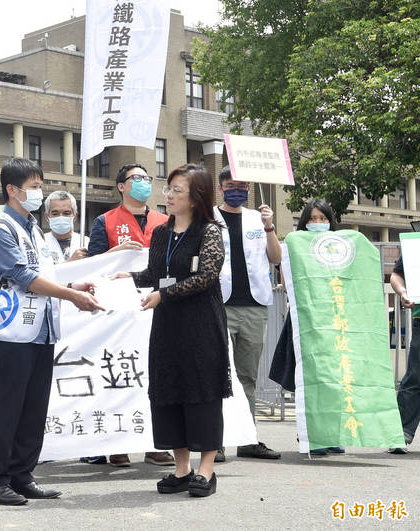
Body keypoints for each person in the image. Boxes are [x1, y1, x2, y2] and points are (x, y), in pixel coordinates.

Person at [0, 157, 102, 505]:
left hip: (41, 330)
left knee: (33, 407)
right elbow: (24, 277)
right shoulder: (1, 230)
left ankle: (22, 475)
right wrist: (71, 295)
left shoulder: (32, 228)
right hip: (12, 334)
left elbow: (46, 272)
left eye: (39, 185)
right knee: (8, 408)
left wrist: (75, 284)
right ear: (12, 190)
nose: (38, 192)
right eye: (33, 186)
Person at [116, 163, 231, 497]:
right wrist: (130, 279)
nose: (168, 195)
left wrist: (162, 294)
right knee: (170, 392)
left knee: (203, 393)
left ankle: (206, 471)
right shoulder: (162, 232)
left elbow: (206, 277)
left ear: (196, 197)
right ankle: (181, 470)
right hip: (167, 326)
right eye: (168, 189)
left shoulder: (210, 231)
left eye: (176, 190)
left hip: (201, 324)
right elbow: (155, 272)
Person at [86, 162, 172, 467]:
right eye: (135, 178)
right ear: (121, 186)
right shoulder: (105, 221)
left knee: (156, 375)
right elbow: (92, 266)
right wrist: (115, 252)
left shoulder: (166, 219)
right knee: (120, 373)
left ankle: (155, 443)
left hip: (157, 306)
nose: (143, 183)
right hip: (119, 311)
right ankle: (118, 444)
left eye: (146, 178)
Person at [213, 166, 281, 461]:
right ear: (221, 188)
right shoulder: (209, 217)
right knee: (217, 375)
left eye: (242, 185)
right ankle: (214, 441)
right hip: (219, 305)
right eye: (231, 185)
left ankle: (248, 439)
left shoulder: (259, 217)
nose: (237, 189)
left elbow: (275, 258)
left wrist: (270, 227)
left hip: (254, 305)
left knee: (247, 376)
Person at [268, 199, 344, 456]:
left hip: (334, 320)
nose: (318, 223)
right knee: (309, 379)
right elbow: (286, 282)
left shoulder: (340, 246)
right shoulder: (295, 246)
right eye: (312, 218)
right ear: (304, 222)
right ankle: (310, 434)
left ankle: (333, 434)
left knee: (334, 378)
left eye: (323, 219)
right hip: (305, 319)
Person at [389, 229, 420, 455]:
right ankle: (400, 433)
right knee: (415, 377)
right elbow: (396, 275)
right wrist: (403, 291)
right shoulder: (416, 244)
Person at [43, 191, 88, 263]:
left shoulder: (86, 243)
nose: (61, 217)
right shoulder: (39, 242)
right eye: (55, 213)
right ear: (47, 217)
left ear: (75, 216)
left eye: (66, 213)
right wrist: (70, 262)